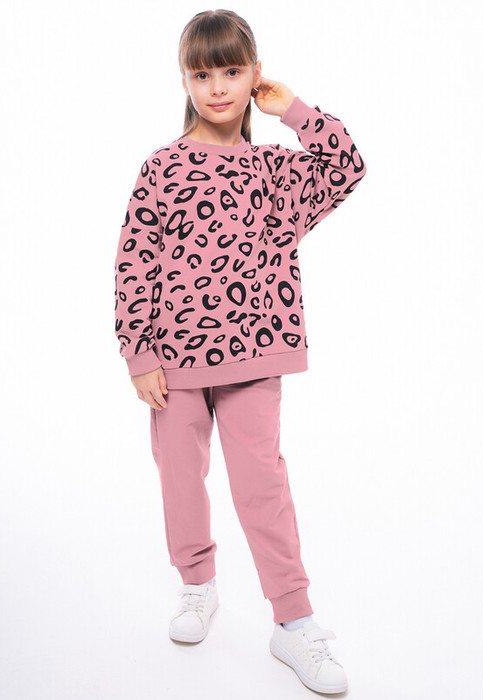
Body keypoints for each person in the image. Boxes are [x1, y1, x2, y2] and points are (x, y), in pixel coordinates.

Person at [114, 9, 366, 695]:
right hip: (173, 360)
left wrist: (295, 111)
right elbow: (135, 261)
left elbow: (346, 166)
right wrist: (139, 353)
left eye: (232, 71)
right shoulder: (162, 167)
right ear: (185, 81)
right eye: (203, 74)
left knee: (262, 486)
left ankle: (294, 620)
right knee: (178, 475)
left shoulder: (275, 171)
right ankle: (197, 584)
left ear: (254, 74)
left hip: (256, 356)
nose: (219, 87)